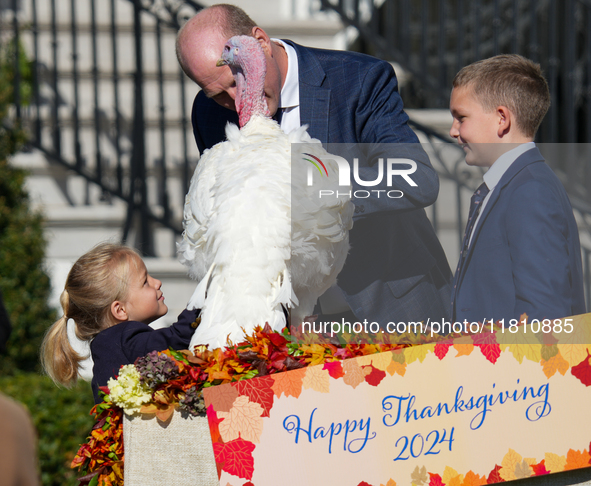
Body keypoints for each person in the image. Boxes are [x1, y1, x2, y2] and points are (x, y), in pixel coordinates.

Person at [175, 4, 452, 330]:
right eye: (218, 93)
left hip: (392, 306)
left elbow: (415, 179)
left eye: (238, 81)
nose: (236, 102)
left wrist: (313, 196)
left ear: (261, 41)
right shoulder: (208, 113)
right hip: (298, 328)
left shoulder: (359, 79)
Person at [449, 54, 586, 323]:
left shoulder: (530, 191)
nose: (453, 131)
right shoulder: (512, 184)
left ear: (502, 118)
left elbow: (544, 316)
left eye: (461, 117)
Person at [41, 243, 200, 403]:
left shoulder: (108, 345)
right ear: (120, 310)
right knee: (219, 392)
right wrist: (203, 300)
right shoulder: (124, 337)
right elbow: (177, 339)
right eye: (145, 281)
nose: (157, 282)